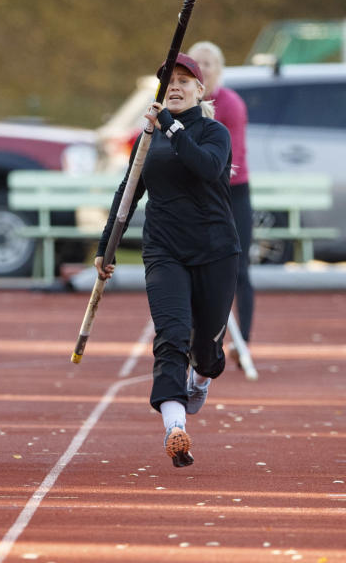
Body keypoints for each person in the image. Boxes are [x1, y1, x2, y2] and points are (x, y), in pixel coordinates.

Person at [95, 53, 240, 468]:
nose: (174, 87)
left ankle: (201, 376)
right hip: (165, 251)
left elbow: (207, 168)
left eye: (183, 80)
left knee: (207, 351)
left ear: (200, 89)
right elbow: (127, 194)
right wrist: (106, 247)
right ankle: (175, 427)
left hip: (215, 251)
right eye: (167, 81)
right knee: (171, 336)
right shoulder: (147, 140)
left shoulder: (214, 133)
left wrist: (173, 128)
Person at [188, 41, 254, 359]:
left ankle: (244, 344)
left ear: (219, 70)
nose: (203, 68)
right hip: (195, 195)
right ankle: (189, 340)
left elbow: (232, 158)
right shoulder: (185, 105)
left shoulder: (230, 105)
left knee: (238, 268)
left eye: (209, 63)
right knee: (191, 266)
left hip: (231, 193)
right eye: (197, 63)